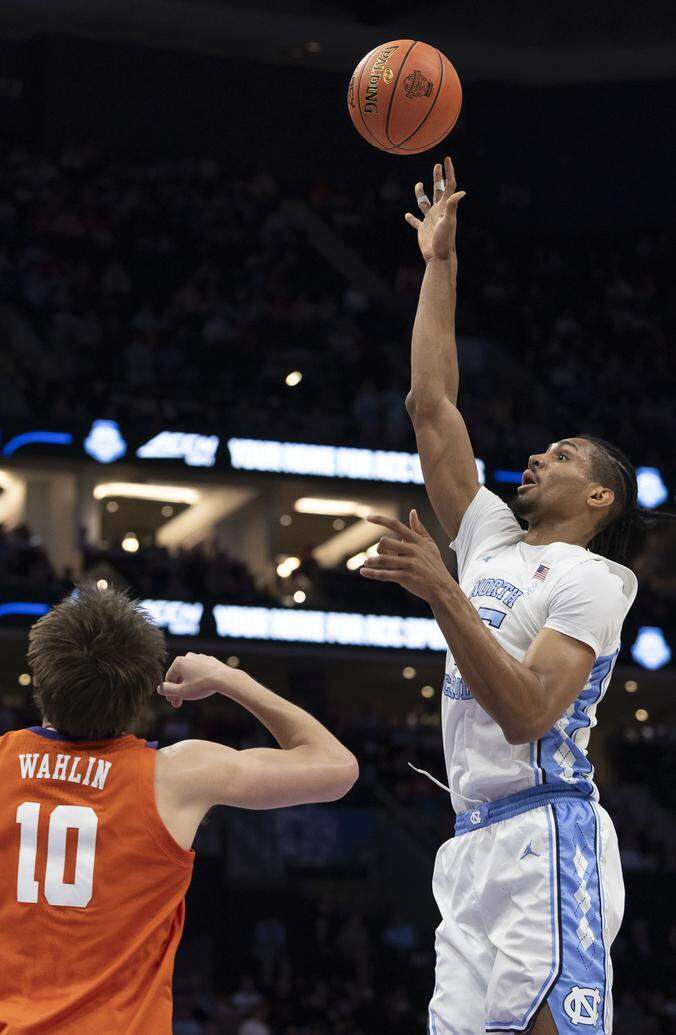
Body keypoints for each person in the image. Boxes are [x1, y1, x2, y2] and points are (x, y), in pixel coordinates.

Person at [360, 157, 642, 1034]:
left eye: (563, 455)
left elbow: (526, 714)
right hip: (471, 835)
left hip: (546, 835)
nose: (540, 457)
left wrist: (443, 591)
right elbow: (431, 402)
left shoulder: (595, 581)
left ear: (600, 498)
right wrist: (439, 263)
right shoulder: (488, 533)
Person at [0, 584, 359, 1033]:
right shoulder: (178, 775)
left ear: (38, 678)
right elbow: (337, 768)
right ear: (142, 695)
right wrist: (226, 678)